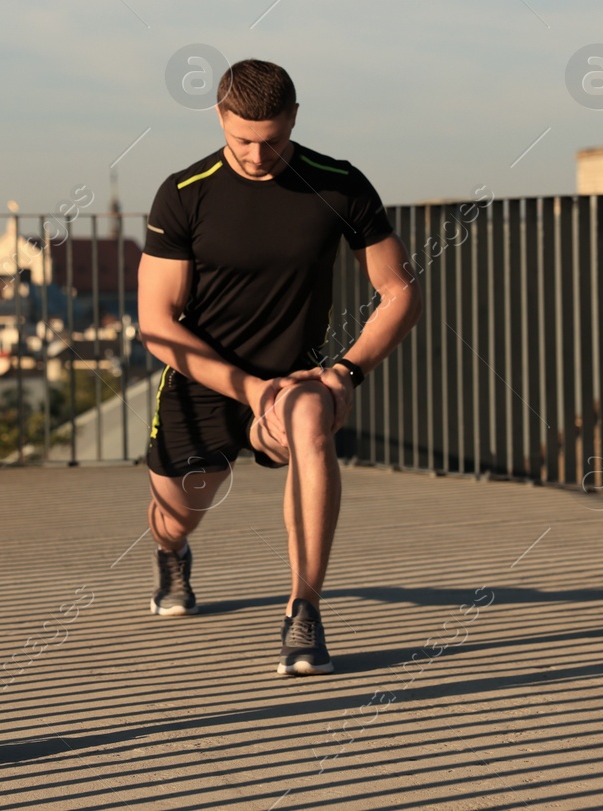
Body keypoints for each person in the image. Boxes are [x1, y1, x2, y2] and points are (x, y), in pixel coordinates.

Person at [137, 58, 420, 675]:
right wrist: (247, 387)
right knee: (178, 514)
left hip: (293, 380)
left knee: (314, 419)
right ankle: (173, 553)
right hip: (202, 385)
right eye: (242, 140)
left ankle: (304, 610)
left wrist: (345, 371)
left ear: (294, 119)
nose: (258, 156)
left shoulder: (339, 184)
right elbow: (158, 323)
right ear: (219, 117)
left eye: (273, 141)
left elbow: (400, 292)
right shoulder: (185, 194)